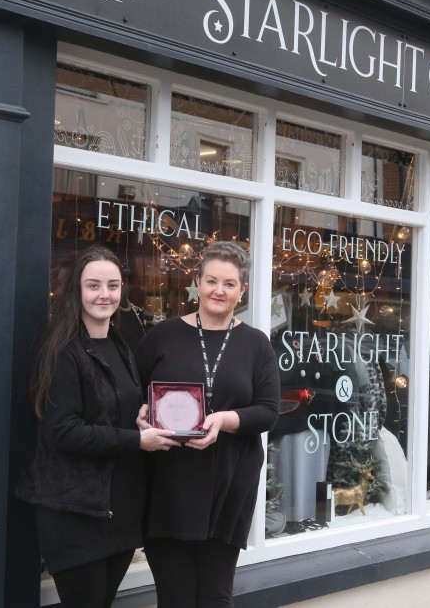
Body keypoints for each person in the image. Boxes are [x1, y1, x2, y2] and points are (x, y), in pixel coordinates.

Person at [16, 245, 180, 608]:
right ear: (76, 290)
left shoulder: (120, 345)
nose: (104, 295)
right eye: (93, 286)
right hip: (75, 511)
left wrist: (139, 421)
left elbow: (114, 414)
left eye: (112, 285)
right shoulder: (63, 350)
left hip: (118, 511)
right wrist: (137, 441)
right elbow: (65, 431)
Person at [135, 240, 281, 607]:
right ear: (197, 282)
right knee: (176, 597)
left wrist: (224, 420)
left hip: (229, 484)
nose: (219, 290)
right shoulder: (162, 336)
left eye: (229, 284)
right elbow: (132, 394)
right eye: (212, 280)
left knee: (216, 596)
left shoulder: (256, 344)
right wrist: (139, 415)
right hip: (169, 484)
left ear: (242, 290)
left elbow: (268, 411)